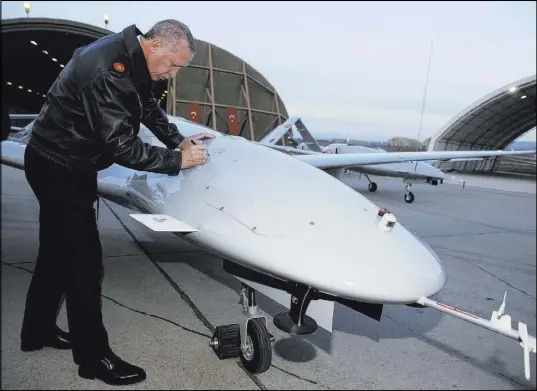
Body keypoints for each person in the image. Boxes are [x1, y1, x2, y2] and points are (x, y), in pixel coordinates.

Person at [19, 19, 214, 386]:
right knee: (84, 267)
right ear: (155, 45)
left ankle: (37, 331)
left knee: (56, 254)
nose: (172, 74)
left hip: (57, 159)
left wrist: (177, 140)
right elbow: (121, 145)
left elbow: (145, 106)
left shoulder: (132, 57)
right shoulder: (110, 71)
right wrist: (177, 162)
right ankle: (93, 360)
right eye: (173, 64)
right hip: (62, 168)